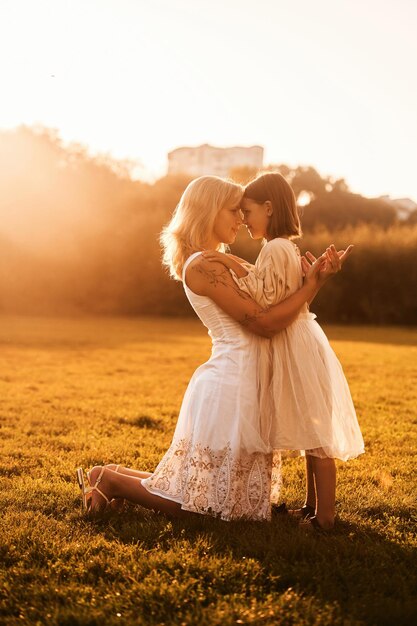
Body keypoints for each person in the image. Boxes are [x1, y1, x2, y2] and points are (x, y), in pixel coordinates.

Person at [77, 175, 340, 521]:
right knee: (205, 507)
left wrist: (312, 284)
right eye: (234, 210)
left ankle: (109, 474)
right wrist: (311, 287)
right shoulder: (201, 267)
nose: (241, 218)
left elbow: (283, 307)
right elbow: (264, 322)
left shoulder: (218, 260)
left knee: (213, 495)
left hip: (248, 381)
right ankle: (112, 482)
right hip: (232, 384)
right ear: (209, 210)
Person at [203, 172, 364, 530]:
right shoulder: (282, 247)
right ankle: (311, 506)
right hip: (297, 339)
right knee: (310, 426)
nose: (243, 220)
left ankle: (324, 518)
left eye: (247, 211)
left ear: (269, 207)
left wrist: (231, 266)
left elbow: (265, 299)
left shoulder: (275, 248)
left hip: (295, 344)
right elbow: (293, 295)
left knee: (317, 436)